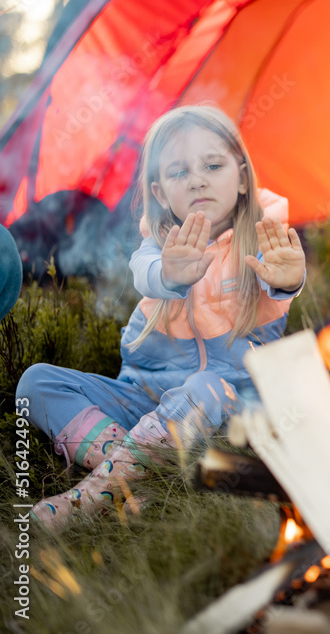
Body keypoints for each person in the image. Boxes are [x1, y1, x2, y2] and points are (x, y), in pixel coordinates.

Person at [18, 106, 306, 530]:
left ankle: (98, 492)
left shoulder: (262, 237)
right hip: (143, 400)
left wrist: (290, 277)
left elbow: (280, 282)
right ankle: (134, 470)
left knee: (207, 385)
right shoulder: (159, 246)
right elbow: (146, 273)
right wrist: (170, 273)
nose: (197, 179)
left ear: (242, 178)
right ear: (158, 192)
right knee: (36, 383)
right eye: (178, 172)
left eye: (213, 165)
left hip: (223, 407)